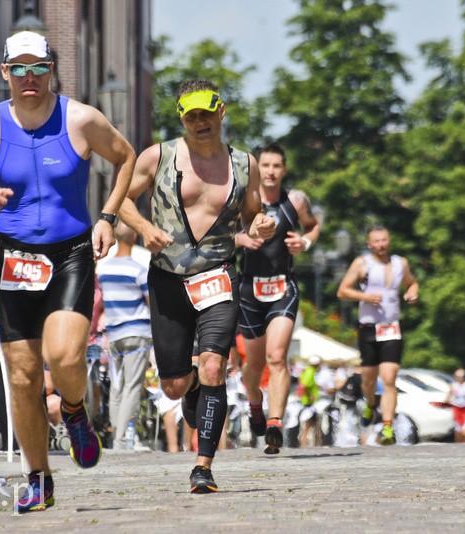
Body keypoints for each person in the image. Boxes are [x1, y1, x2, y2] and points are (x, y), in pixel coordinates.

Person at [0, 31, 136, 513]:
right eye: (21, 68)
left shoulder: (80, 118)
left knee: (66, 356)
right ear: (5, 73)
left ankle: (75, 412)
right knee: (21, 374)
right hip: (15, 257)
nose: (30, 77)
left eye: (39, 68)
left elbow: (125, 158)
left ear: (52, 68)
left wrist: (109, 217)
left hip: (70, 252)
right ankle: (38, 478)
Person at [118, 79, 275, 493]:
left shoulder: (245, 163)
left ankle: (203, 467)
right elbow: (119, 198)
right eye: (191, 116)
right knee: (174, 383)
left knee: (213, 367)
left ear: (221, 111)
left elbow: (253, 215)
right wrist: (144, 227)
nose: (200, 122)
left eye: (207, 113)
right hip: (168, 278)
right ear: (182, 118)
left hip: (218, 276)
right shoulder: (160, 156)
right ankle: (189, 394)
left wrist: (261, 224)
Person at [236, 143, 320, 455]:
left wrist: (305, 242)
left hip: (283, 287)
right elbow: (218, 230)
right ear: (256, 168)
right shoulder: (242, 198)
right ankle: (255, 403)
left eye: (276, 166)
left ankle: (274, 422)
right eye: (265, 165)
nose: (271, 171)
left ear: (284, 170)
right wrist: (242, 238)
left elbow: (313, 226)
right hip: (249, 289)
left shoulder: (295, 201)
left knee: (277, 357)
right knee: (254, 364)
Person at [337, 226, 419, 445]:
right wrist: (364, 297)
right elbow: (342, 290)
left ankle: (387, 428)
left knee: (390, 377)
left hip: (392, 327)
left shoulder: (400, 263)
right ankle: (371, 403)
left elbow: (412, 283)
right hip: (369, 328)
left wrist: (412, 292)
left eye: (384, 240)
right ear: (369, 244)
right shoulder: (362, 264)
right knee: (368, 379)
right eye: (377, 241)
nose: (381, 245)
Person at [98, 222, 153, 448]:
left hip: (114, 334)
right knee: (132, 385)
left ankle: (116, 434)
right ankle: (123, 438)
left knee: (117, 385)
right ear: (134, 237)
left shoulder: (104, 270)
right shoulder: (139, 270)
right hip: (137, 332)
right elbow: (151, 304)